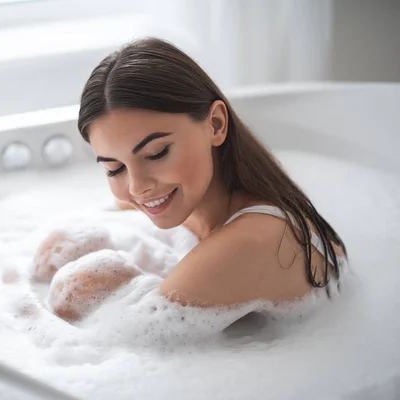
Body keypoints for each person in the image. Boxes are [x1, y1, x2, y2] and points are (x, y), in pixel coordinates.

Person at [32, 37, 347, 322]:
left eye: (156, 153)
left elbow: (133, 337)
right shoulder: (192, 202)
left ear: (216, 124)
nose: (136, 187)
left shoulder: (252, 244)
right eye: (115, 168)